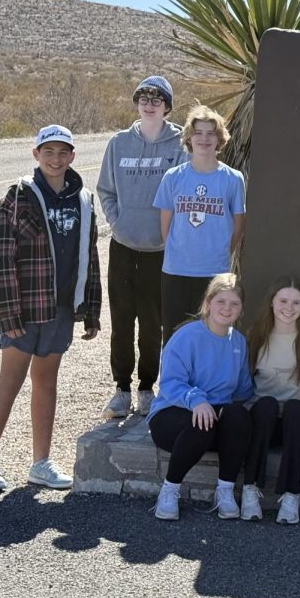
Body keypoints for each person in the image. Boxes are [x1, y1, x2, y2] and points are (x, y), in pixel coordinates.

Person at [0, 125, 102, 492]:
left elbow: (88, 257)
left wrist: (90, 308)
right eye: (49, 151)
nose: (56, 159)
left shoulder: (83, 199)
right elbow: (1, 258)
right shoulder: (19, 196)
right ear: (36, 155)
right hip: (25, 309)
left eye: (63, 152)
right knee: (9, 381)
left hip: (59, 308)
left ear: (73, 155)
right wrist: (8, 313)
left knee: (46, 382)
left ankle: (40, 462)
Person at [97, 76, 186, 418]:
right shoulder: (119, 143)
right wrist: (117, 222)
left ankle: (147, 388)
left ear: (167, 106)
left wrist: (170, 233)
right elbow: (105, 189)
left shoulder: (179, 144)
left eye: (157, 99)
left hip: (160, 250)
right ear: (137, 103)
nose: (150, 104)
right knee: (121, 320)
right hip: (123, 246)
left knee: (152, 323)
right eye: (144, 97)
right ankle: (121, 390)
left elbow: (184, 191)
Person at [146, 273, 254, 521]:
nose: (227, 309)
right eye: (221, 302)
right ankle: (170, 489)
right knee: (202, 422)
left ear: (241, 309)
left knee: (237, 415)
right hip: (173, 416)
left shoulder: (238, 342)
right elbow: (170, 383)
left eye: (234, 304)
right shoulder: (187, 336)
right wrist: (197, 400)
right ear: (207, 303)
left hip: (214, 422)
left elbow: (243, 390)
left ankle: (225, 492)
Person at [153, 104, 246, 346]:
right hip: (177, 269)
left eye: (210, 133)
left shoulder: (232, 179)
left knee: (212, 333)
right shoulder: (173, 177)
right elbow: (166, 226)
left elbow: (238, 227)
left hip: (214, 271)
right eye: (198, 133)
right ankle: (173, 383)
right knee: (174, 335)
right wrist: (179, 250)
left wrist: (221, 252)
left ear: (219, 139)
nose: (204, 139)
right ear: (189, 138)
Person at [242, 276, 300, 525]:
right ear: (271, 302)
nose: (288, 308)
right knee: (267, 404)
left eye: (296, 302)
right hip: (266, 421)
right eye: (283, 300)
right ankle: (250, 490)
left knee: (295, 408)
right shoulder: (256, 335)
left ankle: (292, 496)